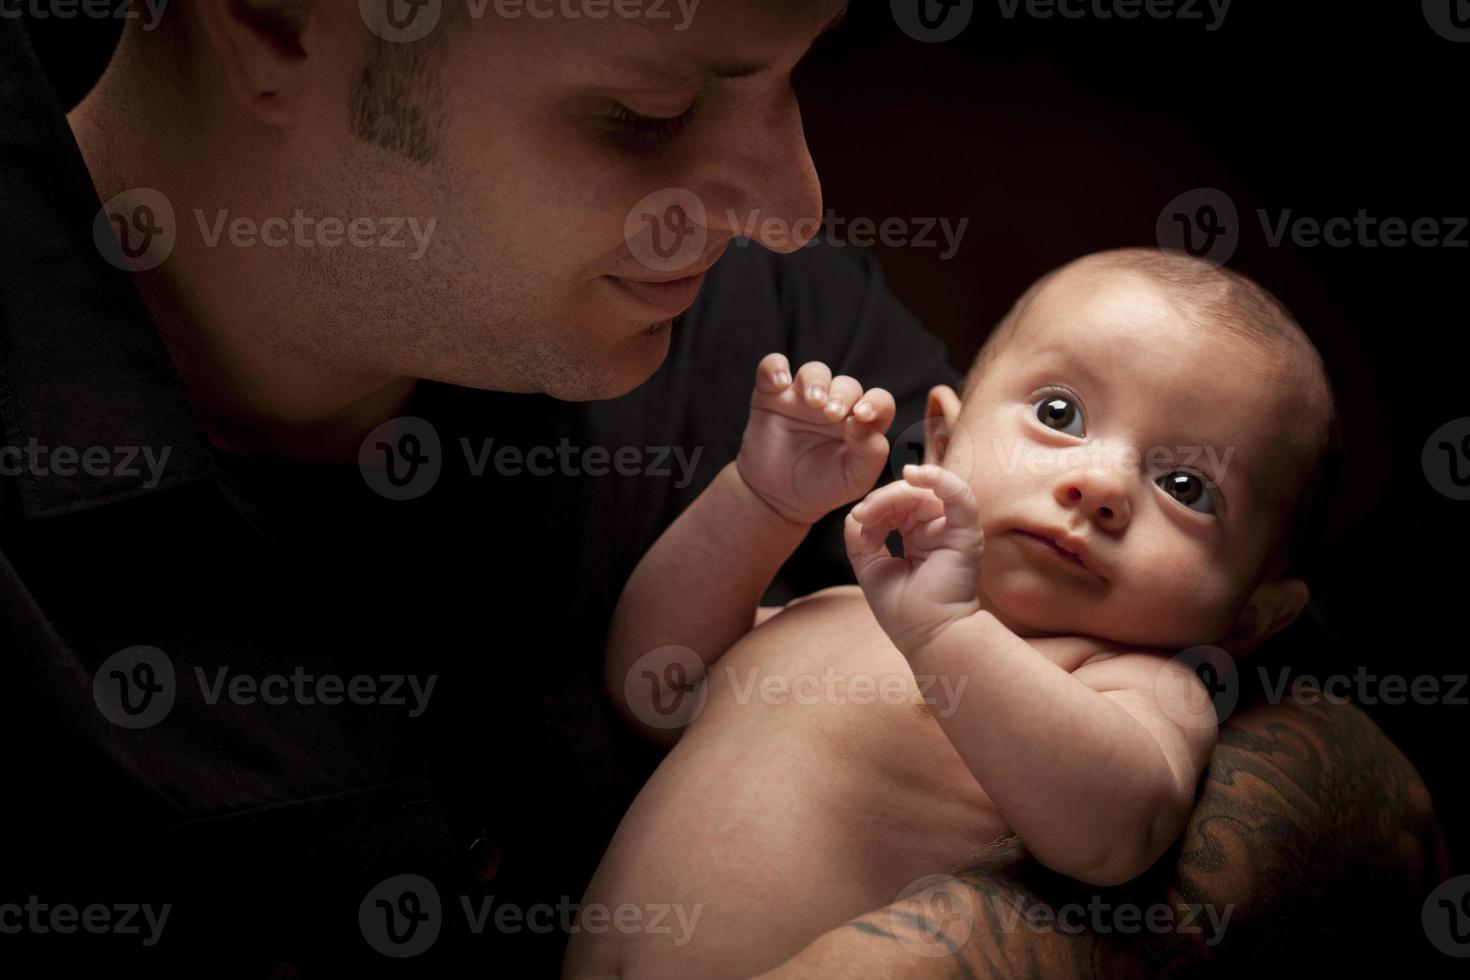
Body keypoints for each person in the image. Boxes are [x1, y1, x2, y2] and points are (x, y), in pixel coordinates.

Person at [0, 3, 1444, 977]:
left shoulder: (759, 321)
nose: (790, 204)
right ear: (272, 20)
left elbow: (1350, 780)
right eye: (648, 108)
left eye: (789, 74)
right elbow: (669, 670)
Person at [569, 248, 1348, 977]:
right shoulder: (837, 610)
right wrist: (762, 500)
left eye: (1187, 488)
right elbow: (653, 686)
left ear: (1249, 617)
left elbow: (1113, 836)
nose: (1101, 484)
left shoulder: (1132, 687)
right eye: (1060, 413)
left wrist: (946, 633)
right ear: (940, 440)